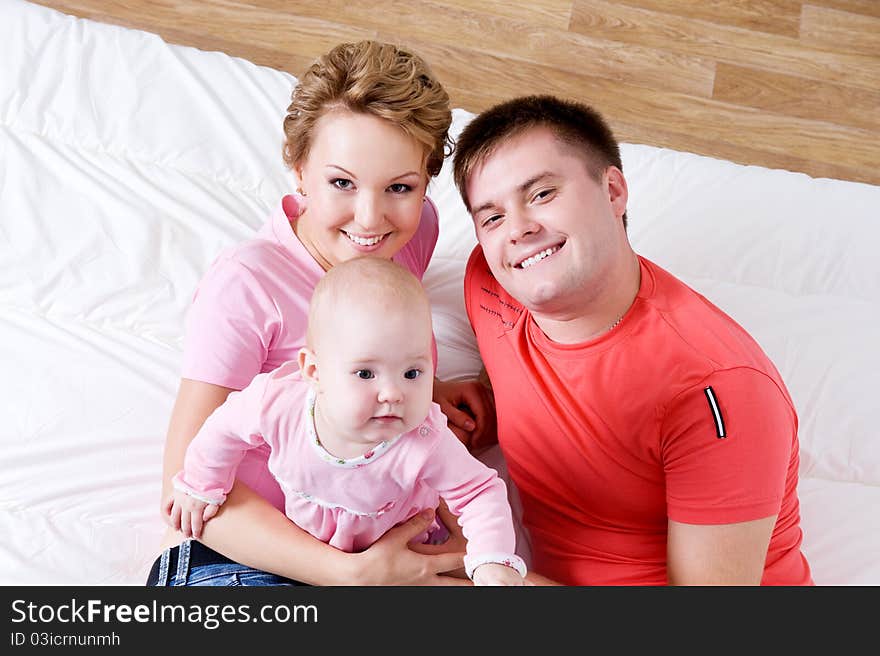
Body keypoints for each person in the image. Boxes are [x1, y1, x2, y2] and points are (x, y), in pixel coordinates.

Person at [147, 40, 495, 586]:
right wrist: (350, 574)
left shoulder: (410, 233)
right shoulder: (246, 285)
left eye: (400, 187)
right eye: (341, 183)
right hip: (244, 560)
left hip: (378, 537)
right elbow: (183, 480)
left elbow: (367, 336)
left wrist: (419, 385)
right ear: (299, 168)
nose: (369, 217)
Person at [451, 94, 814, 586]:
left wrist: (476, 574)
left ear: (614, 191)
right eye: (491, 216)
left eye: (542, 194)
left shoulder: (718, 390)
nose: (518, 229)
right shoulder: (490, 282)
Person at [165, 257, 526, 586]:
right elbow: (222, 430)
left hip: (398, 550)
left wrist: (491, 559)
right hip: (303, 555)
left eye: (413, 372)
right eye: (366, 373)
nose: (393, 393)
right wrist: (202, 483)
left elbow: (479, 491)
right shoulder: (277, 404)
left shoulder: (424, 439)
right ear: (313, 371)